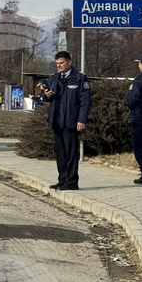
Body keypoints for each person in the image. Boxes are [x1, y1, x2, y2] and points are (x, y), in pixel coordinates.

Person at [41, 51, 91, 191]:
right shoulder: (54, 78)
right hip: (57, 121)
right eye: (57, 63)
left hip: (71, 121)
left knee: (71, 152)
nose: (59, 66)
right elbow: (45, 98)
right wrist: (46, 95)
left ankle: (72, 181)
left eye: (61, 63)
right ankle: (62, 180)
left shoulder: (80, 79)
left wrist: (82, 120)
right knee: (60, 153)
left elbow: (85, 102)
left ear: (69, 62)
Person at [122, 56, 142, 186]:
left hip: (140, 117)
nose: (138, 66)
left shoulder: (139, 80)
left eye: (140, 64)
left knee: (140, 145)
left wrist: (127, 104)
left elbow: (134, 99)